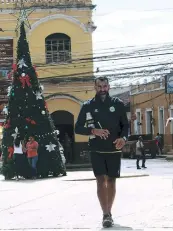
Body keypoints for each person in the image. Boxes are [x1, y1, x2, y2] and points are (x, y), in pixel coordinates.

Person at [75, 76, 129, 228]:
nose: (102, 89)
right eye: (99, 86)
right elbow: (77, 128)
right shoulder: (88, 106)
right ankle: (105, 214)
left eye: (104, 86)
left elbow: (125, 125)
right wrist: (93, 130)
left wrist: (123, 139)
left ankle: (109, 212)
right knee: (100, 180)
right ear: (95, 88)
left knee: (111, 180)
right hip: (96, 149)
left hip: (114, 149)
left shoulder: (117, 104)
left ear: (109, 87)